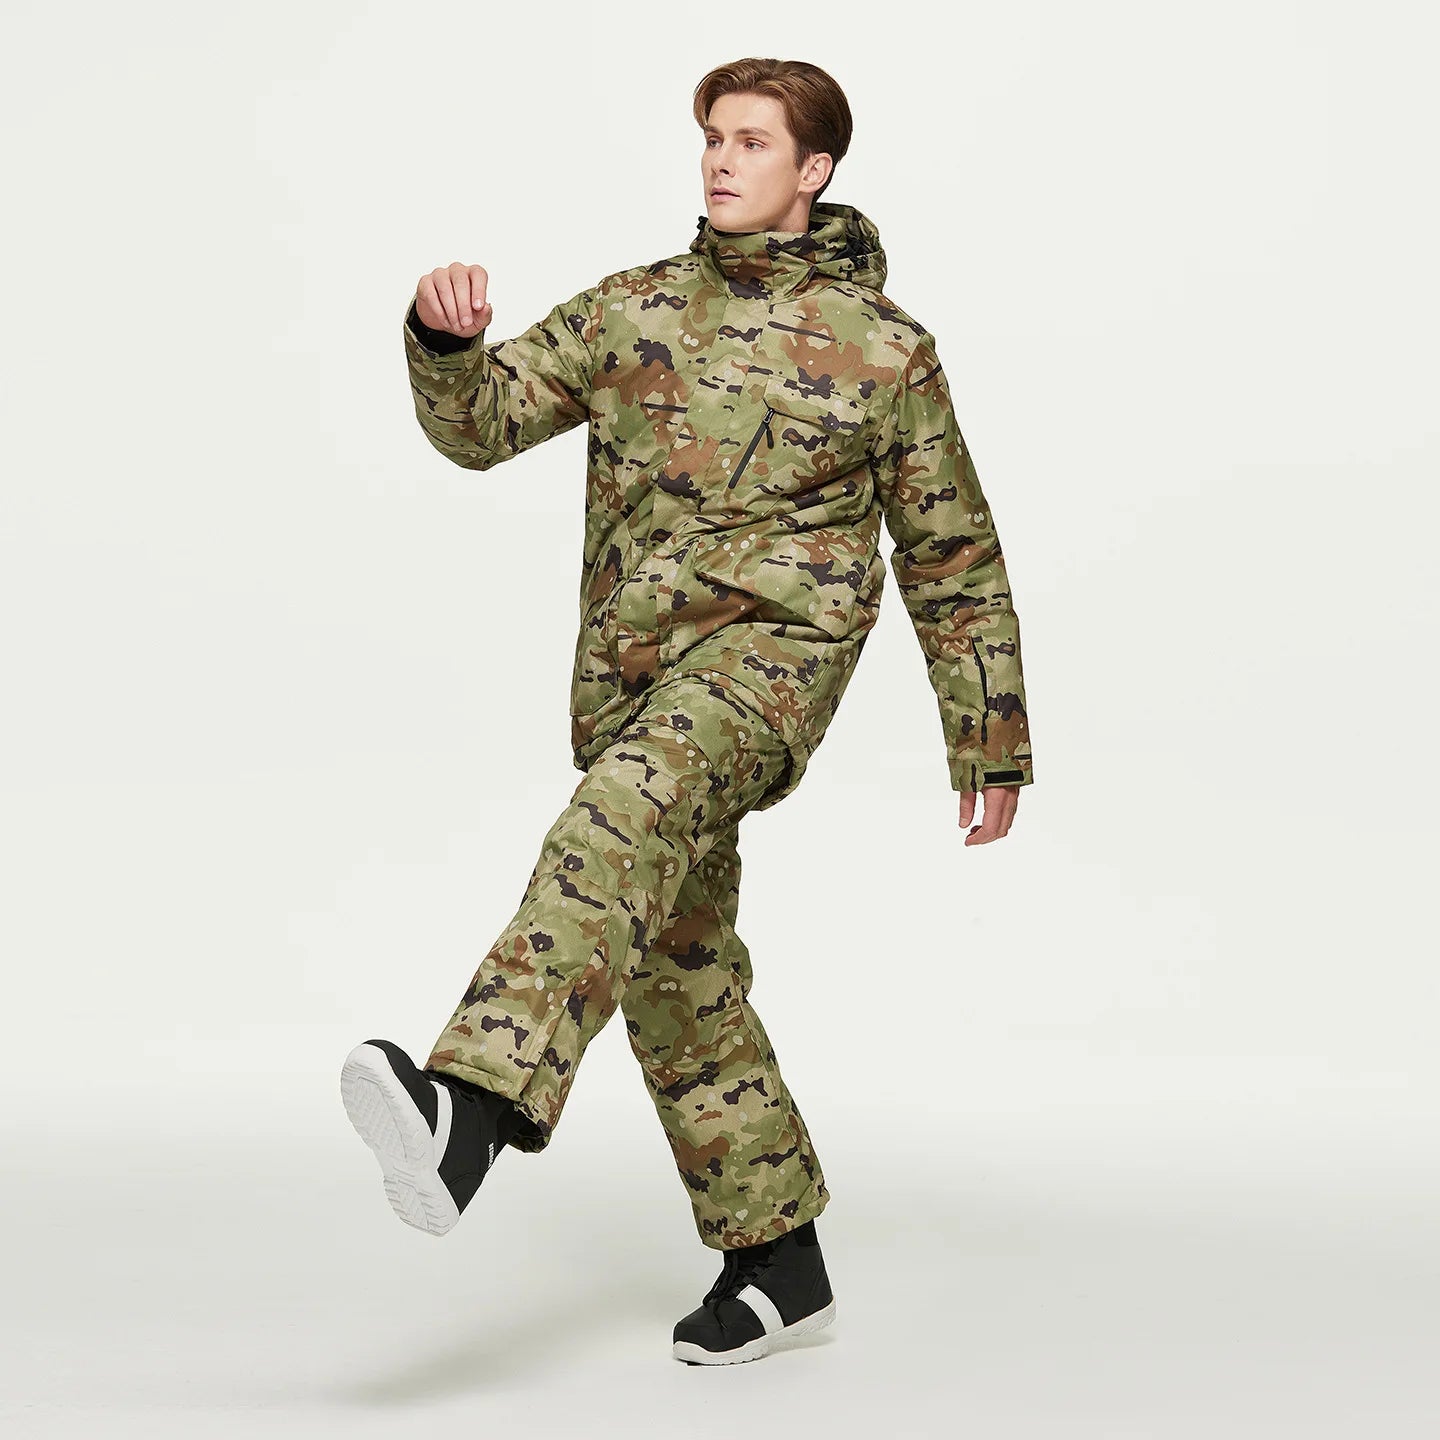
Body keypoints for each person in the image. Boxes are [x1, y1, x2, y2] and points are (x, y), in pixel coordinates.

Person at [340, 56, 1035, 1367]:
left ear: (814, 170)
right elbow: (483, 426)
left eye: (753, 141)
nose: (720, 158)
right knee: (675, 960)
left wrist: (988, 736)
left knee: (619, 822)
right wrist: (446, 345)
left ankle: (468, 1109)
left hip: (767, 671)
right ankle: (779, 1262)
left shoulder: (886, 350)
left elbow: (951, 551)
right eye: (713, 136)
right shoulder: (634, 309)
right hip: (632, 675)